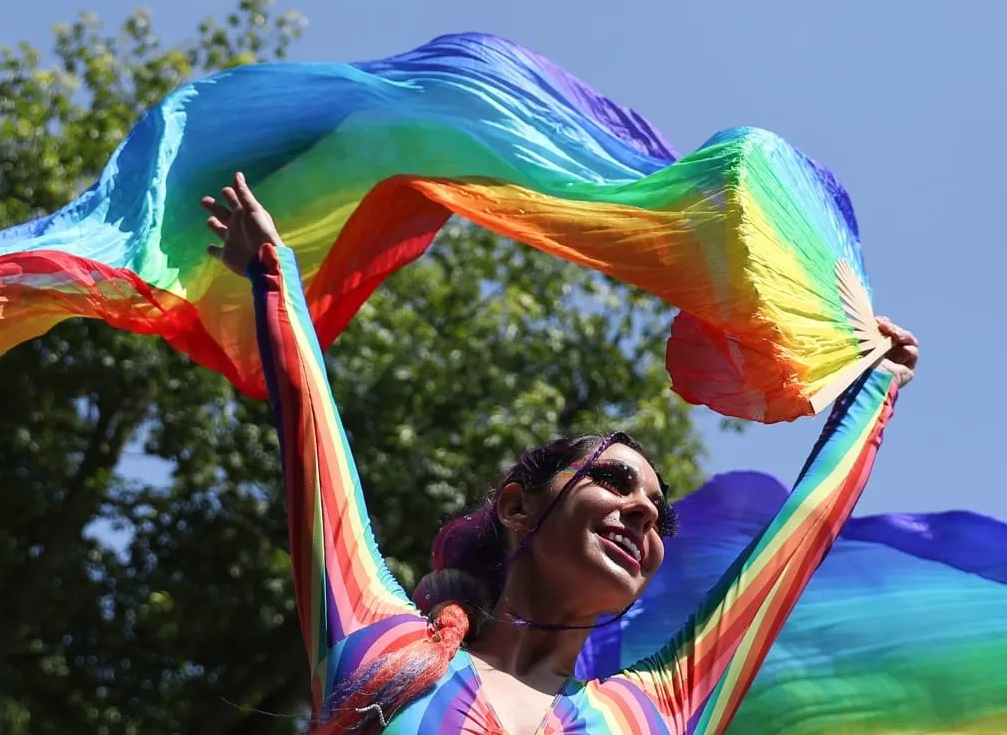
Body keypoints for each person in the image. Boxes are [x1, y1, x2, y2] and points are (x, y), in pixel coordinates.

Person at [203, 172, 920, 735]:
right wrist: (274, 276)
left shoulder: (654, 715)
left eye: (660, 516)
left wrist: (872, 392)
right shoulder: (381, 647)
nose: (642, 511)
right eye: (613, 482)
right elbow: (315, 445)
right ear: (518, 506)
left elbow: (792, 549)